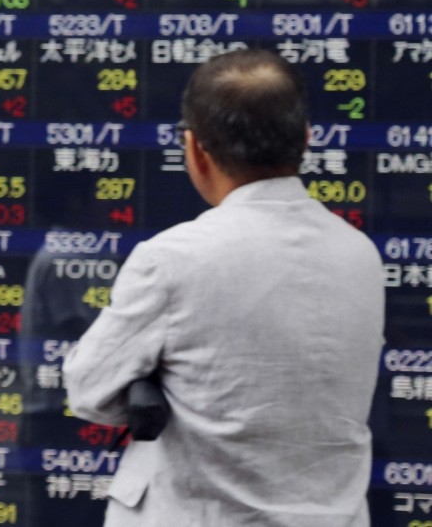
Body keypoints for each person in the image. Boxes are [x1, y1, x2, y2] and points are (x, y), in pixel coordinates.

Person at [63, 49, 385, 525]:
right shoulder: (360, 254)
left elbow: (89, 389)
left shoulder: (174, 257)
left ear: (194, 149)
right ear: (306, 139)